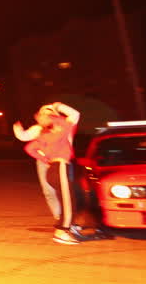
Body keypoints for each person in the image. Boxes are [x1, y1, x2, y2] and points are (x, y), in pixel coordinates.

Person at [15, 102, 107, 244]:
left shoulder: (45, 134)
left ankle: (65, 227)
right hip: (60, 166)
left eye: (49, 114)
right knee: (67, 200)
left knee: (67, 199)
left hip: (54, 167)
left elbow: (29, 148)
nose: (47, 116)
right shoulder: (60, 128)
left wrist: (45, 158)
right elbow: (71, 119)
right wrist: (57, 107)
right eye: (44, 114)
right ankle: (62, 231)